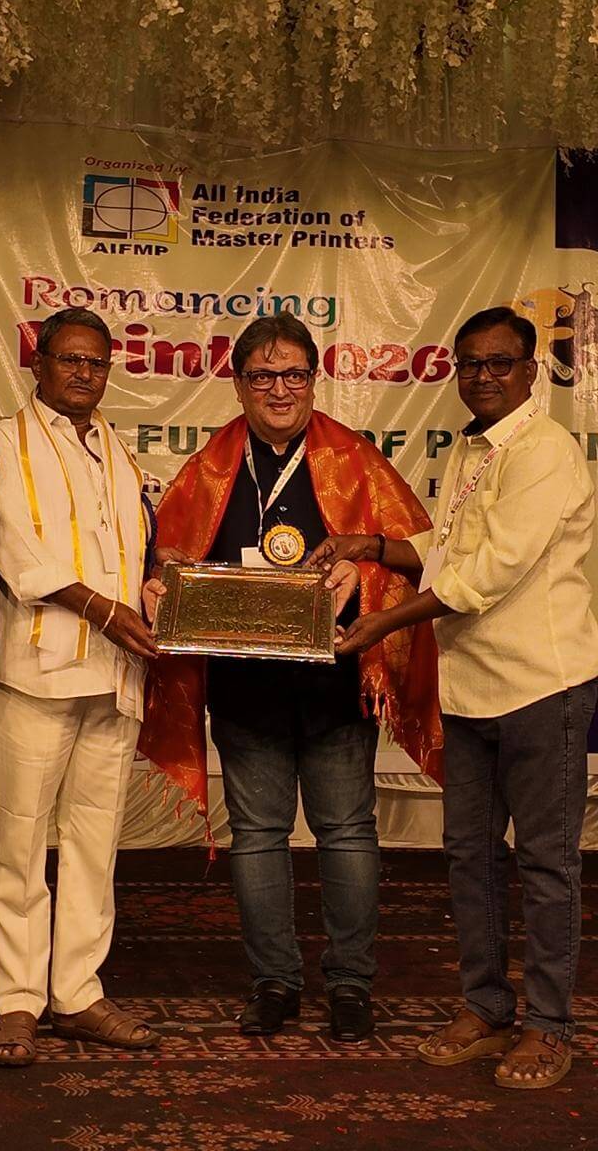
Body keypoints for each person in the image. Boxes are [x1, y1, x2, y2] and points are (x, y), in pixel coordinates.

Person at [312, 306, 598, 1088]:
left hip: (542, 686)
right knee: (470, 855)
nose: (482, 376)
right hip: (470, 688)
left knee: (544, 862)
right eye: (469, 364)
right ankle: (487, 1007)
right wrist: (373, 545)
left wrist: (383, 621)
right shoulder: (474, 449)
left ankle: (548, 1026)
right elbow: (449, 549)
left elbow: (487, 573)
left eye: (499, 363)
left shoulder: (545, 452)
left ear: (531, 372)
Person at [139, 314, 441, 1041]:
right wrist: (162, 576)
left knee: (346, 832)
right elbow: (167, 554)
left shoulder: (354, 459)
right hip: (245, 688)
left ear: (314, 379)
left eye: (295, 374)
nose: (280, 389)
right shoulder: (210, 465)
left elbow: (420, 552)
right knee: (256, 835)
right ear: (238, 383)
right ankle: (273, 982)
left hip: (335, 683)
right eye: (264, 376)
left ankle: (351, 985)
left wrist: (362, 571)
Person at [0, 308, 163, 1066]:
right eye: (70, 360)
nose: (85, 373)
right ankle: (17, 1004)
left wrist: (152, 591)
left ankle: (78, 993)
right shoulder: (1, 441)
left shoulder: (119, 451)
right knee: (20, 842)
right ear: (39, 364)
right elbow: (15, 552)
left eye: (97, 363)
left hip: (114, 674)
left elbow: (137, 550)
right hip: (37, 670)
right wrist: (107, 610)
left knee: (94, 841)